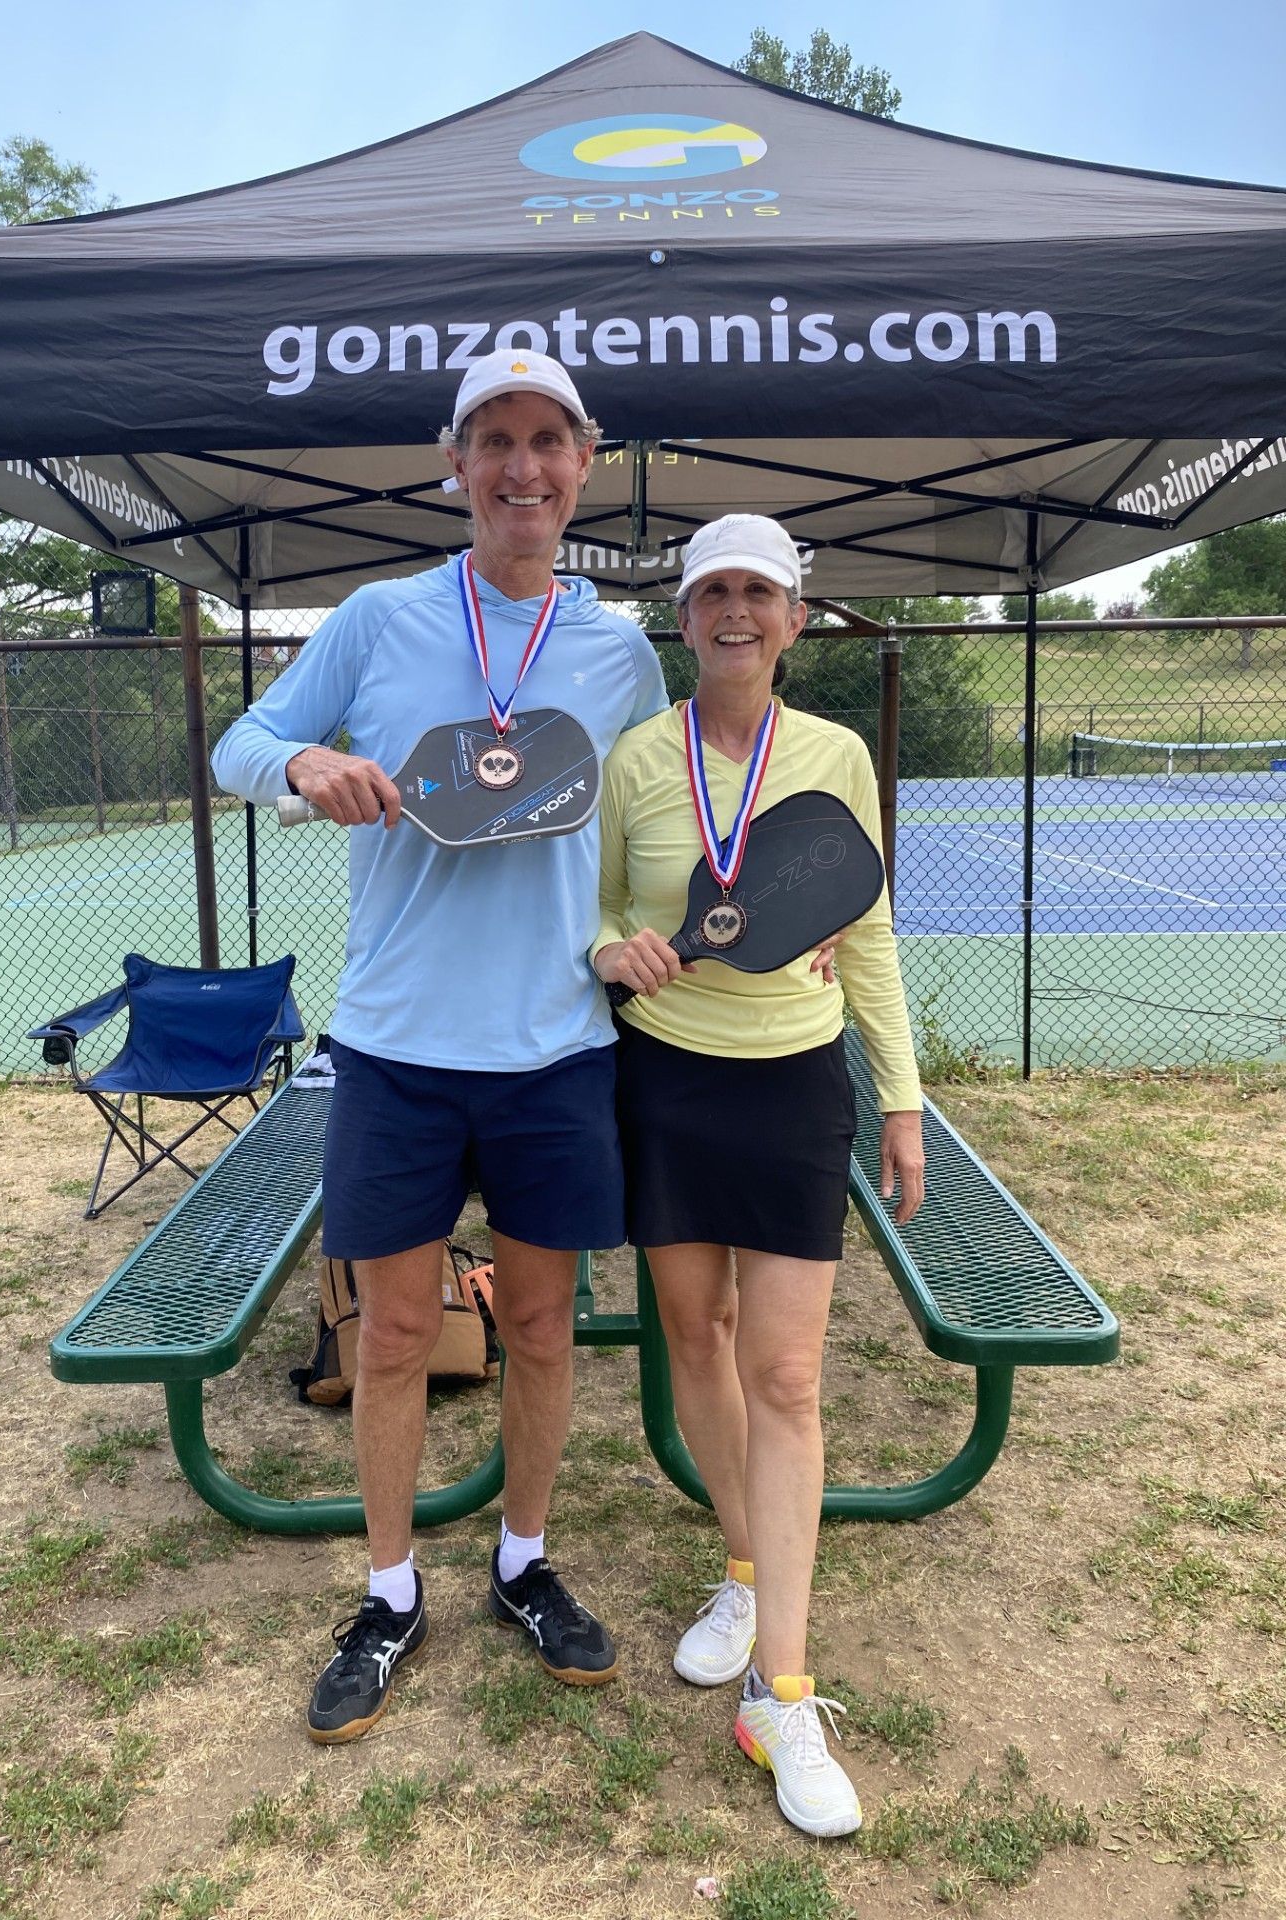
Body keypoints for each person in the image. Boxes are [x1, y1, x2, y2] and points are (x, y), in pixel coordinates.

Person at [211, 349, 668, 1743]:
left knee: (539, 1326)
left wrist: (716, 918)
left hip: (557, 1051)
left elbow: (651, 834)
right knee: (398, 1330)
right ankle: (392, 1587)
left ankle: (523, 1564)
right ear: (453, 465)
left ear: (586, 464)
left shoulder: (619, 649)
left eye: (548, 442)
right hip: (397, 1049)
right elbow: (241, 740)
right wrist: (305, 765)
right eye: (495, 443)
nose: (522, 469)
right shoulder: (379, 616)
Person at [591, 514, 925, 1838]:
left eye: (761, 594)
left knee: (787, 1373)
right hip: (665, 1081)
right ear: (685, 617)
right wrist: (619, 949)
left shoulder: (834, 755)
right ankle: (738, 1568)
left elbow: (872, 924)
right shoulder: (636, 759)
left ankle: (781, 1689)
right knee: (697, 1335)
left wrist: (899, 1098)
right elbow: (604, 904)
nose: (737, 612)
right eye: (715, 591)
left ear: (795, 618)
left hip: (795, 1082)